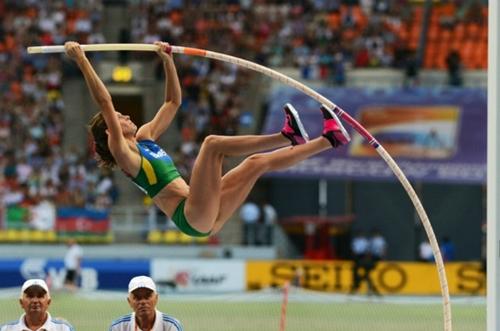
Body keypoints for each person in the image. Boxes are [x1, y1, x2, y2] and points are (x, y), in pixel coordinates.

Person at [64, 41, 350, 238]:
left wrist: (168, 61)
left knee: (254, 164)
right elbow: (104, 100)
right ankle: (287, 135)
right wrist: (82, 60)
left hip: (200, 212)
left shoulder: (144, 137)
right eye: (120, 117)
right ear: (110, 130)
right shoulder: (124, 154)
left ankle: (329, 139)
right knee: (212, 144)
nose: (126, 117)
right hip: (190, 216)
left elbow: (173, 102)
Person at [109, 275, 183, 331]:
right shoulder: (119, 327)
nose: (143, 302)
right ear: (129, 301)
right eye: (137, 297)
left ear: (156, 298)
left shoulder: (171, 325)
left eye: (147, 296)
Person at [0, 279, 74, 331]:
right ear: (21, 302)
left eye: (40, 296)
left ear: (48, 302)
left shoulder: (63, 329)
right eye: (30, 296)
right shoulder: (6, 330)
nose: (35, 301)